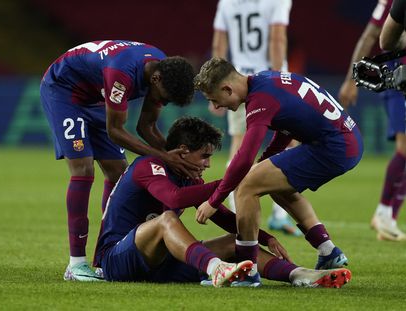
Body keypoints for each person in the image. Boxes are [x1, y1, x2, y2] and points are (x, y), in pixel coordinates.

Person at [93, 116, 351, 288]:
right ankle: (215, 269)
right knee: (166, 220)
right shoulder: (149, 165)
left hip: (158, 265)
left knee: (234, 242)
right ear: (182, 151)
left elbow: (224, 217)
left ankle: (299, 275)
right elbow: (173, 198)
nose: (207, 164)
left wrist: (264, 237)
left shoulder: (187, 176)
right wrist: (231, 180)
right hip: (115, 260)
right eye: (204, 156)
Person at [194, 57, 363, 286]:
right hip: (346, 140)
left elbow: (243, 158)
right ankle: (328, 251)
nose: (216, 107)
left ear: (227, 88)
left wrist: (214, 201)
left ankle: (247, 271)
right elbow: (288, 127)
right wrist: (265, 162)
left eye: (215, 100)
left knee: (246, 186)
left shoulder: (259, 100)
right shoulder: (266, 80)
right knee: (271, 184)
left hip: (333, 146)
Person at [40, 40, 197, 281]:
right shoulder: (121, 73)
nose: (160, 103)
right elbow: (115, 131)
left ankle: (107, 256)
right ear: (155, 80)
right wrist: (165, 157)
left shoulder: (162, 70)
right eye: (163, 98)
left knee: (118, 173)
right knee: (83, 168)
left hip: (95, 98)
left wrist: (178, 158)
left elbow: (146, 126)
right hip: (64, 91)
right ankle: (76, 265)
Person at [210, 0, 300, 235]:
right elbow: (277, 39)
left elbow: (219, 42)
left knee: (240, 144)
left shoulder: (227, 2)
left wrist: (215, 86)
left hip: (236, 81)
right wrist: (279, 79)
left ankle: (235, 209)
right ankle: (280, 215)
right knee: (291, 142)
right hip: (267, 82)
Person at [339, 0, 406, 241]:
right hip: (399, 75)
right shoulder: (390, 2)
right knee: (404, 147)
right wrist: (350, 79)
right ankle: (384, 214)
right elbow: (372, 35)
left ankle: (387, 216)